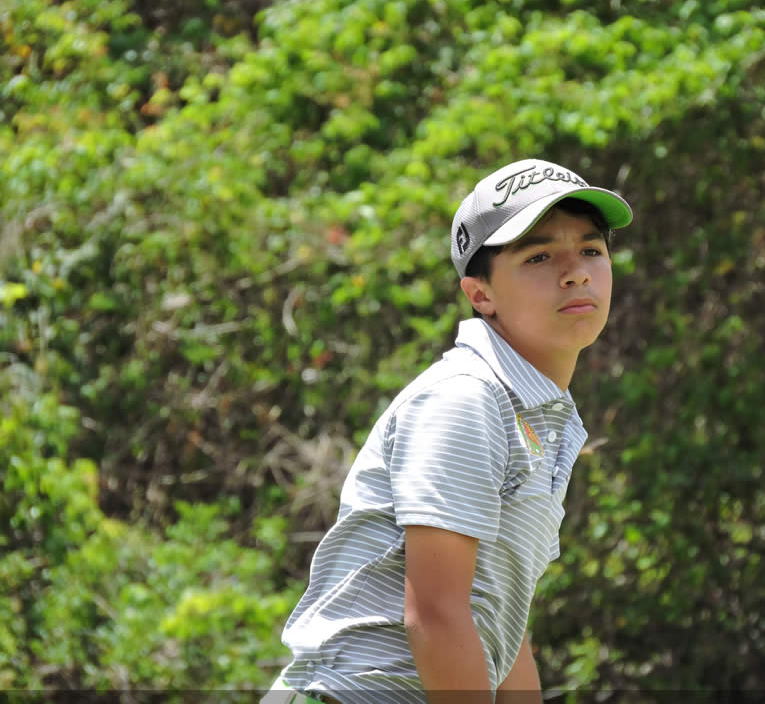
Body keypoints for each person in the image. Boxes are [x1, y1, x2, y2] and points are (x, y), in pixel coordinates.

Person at [261, 159, 633, 704]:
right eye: (538, 256)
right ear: (481, 295)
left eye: (591, 250)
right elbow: (435, 614)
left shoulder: (540, 415)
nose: (576, 272)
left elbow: (502, 619)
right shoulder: (467, 398)